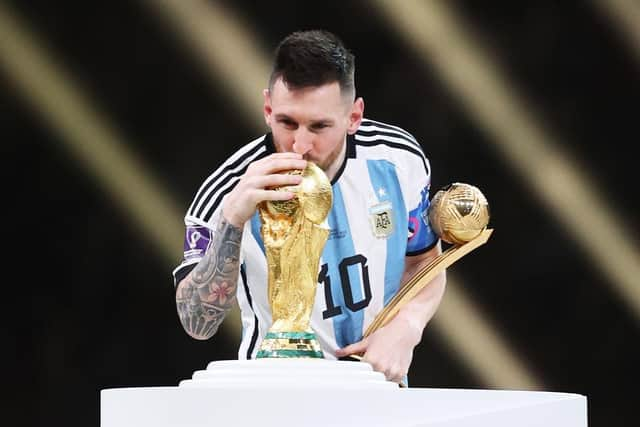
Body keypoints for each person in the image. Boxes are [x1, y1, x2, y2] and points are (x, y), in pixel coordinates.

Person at [172, 30, 446, 384]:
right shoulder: (227, 190)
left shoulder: (398, 160)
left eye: (319, 126)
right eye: (287, 122)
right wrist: (233, 218)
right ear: (268, 108)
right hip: (275, 396)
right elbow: (198, 323)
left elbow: (425, 262)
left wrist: (408, 325)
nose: (300, 145)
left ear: (354, 116)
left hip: (380, 394)